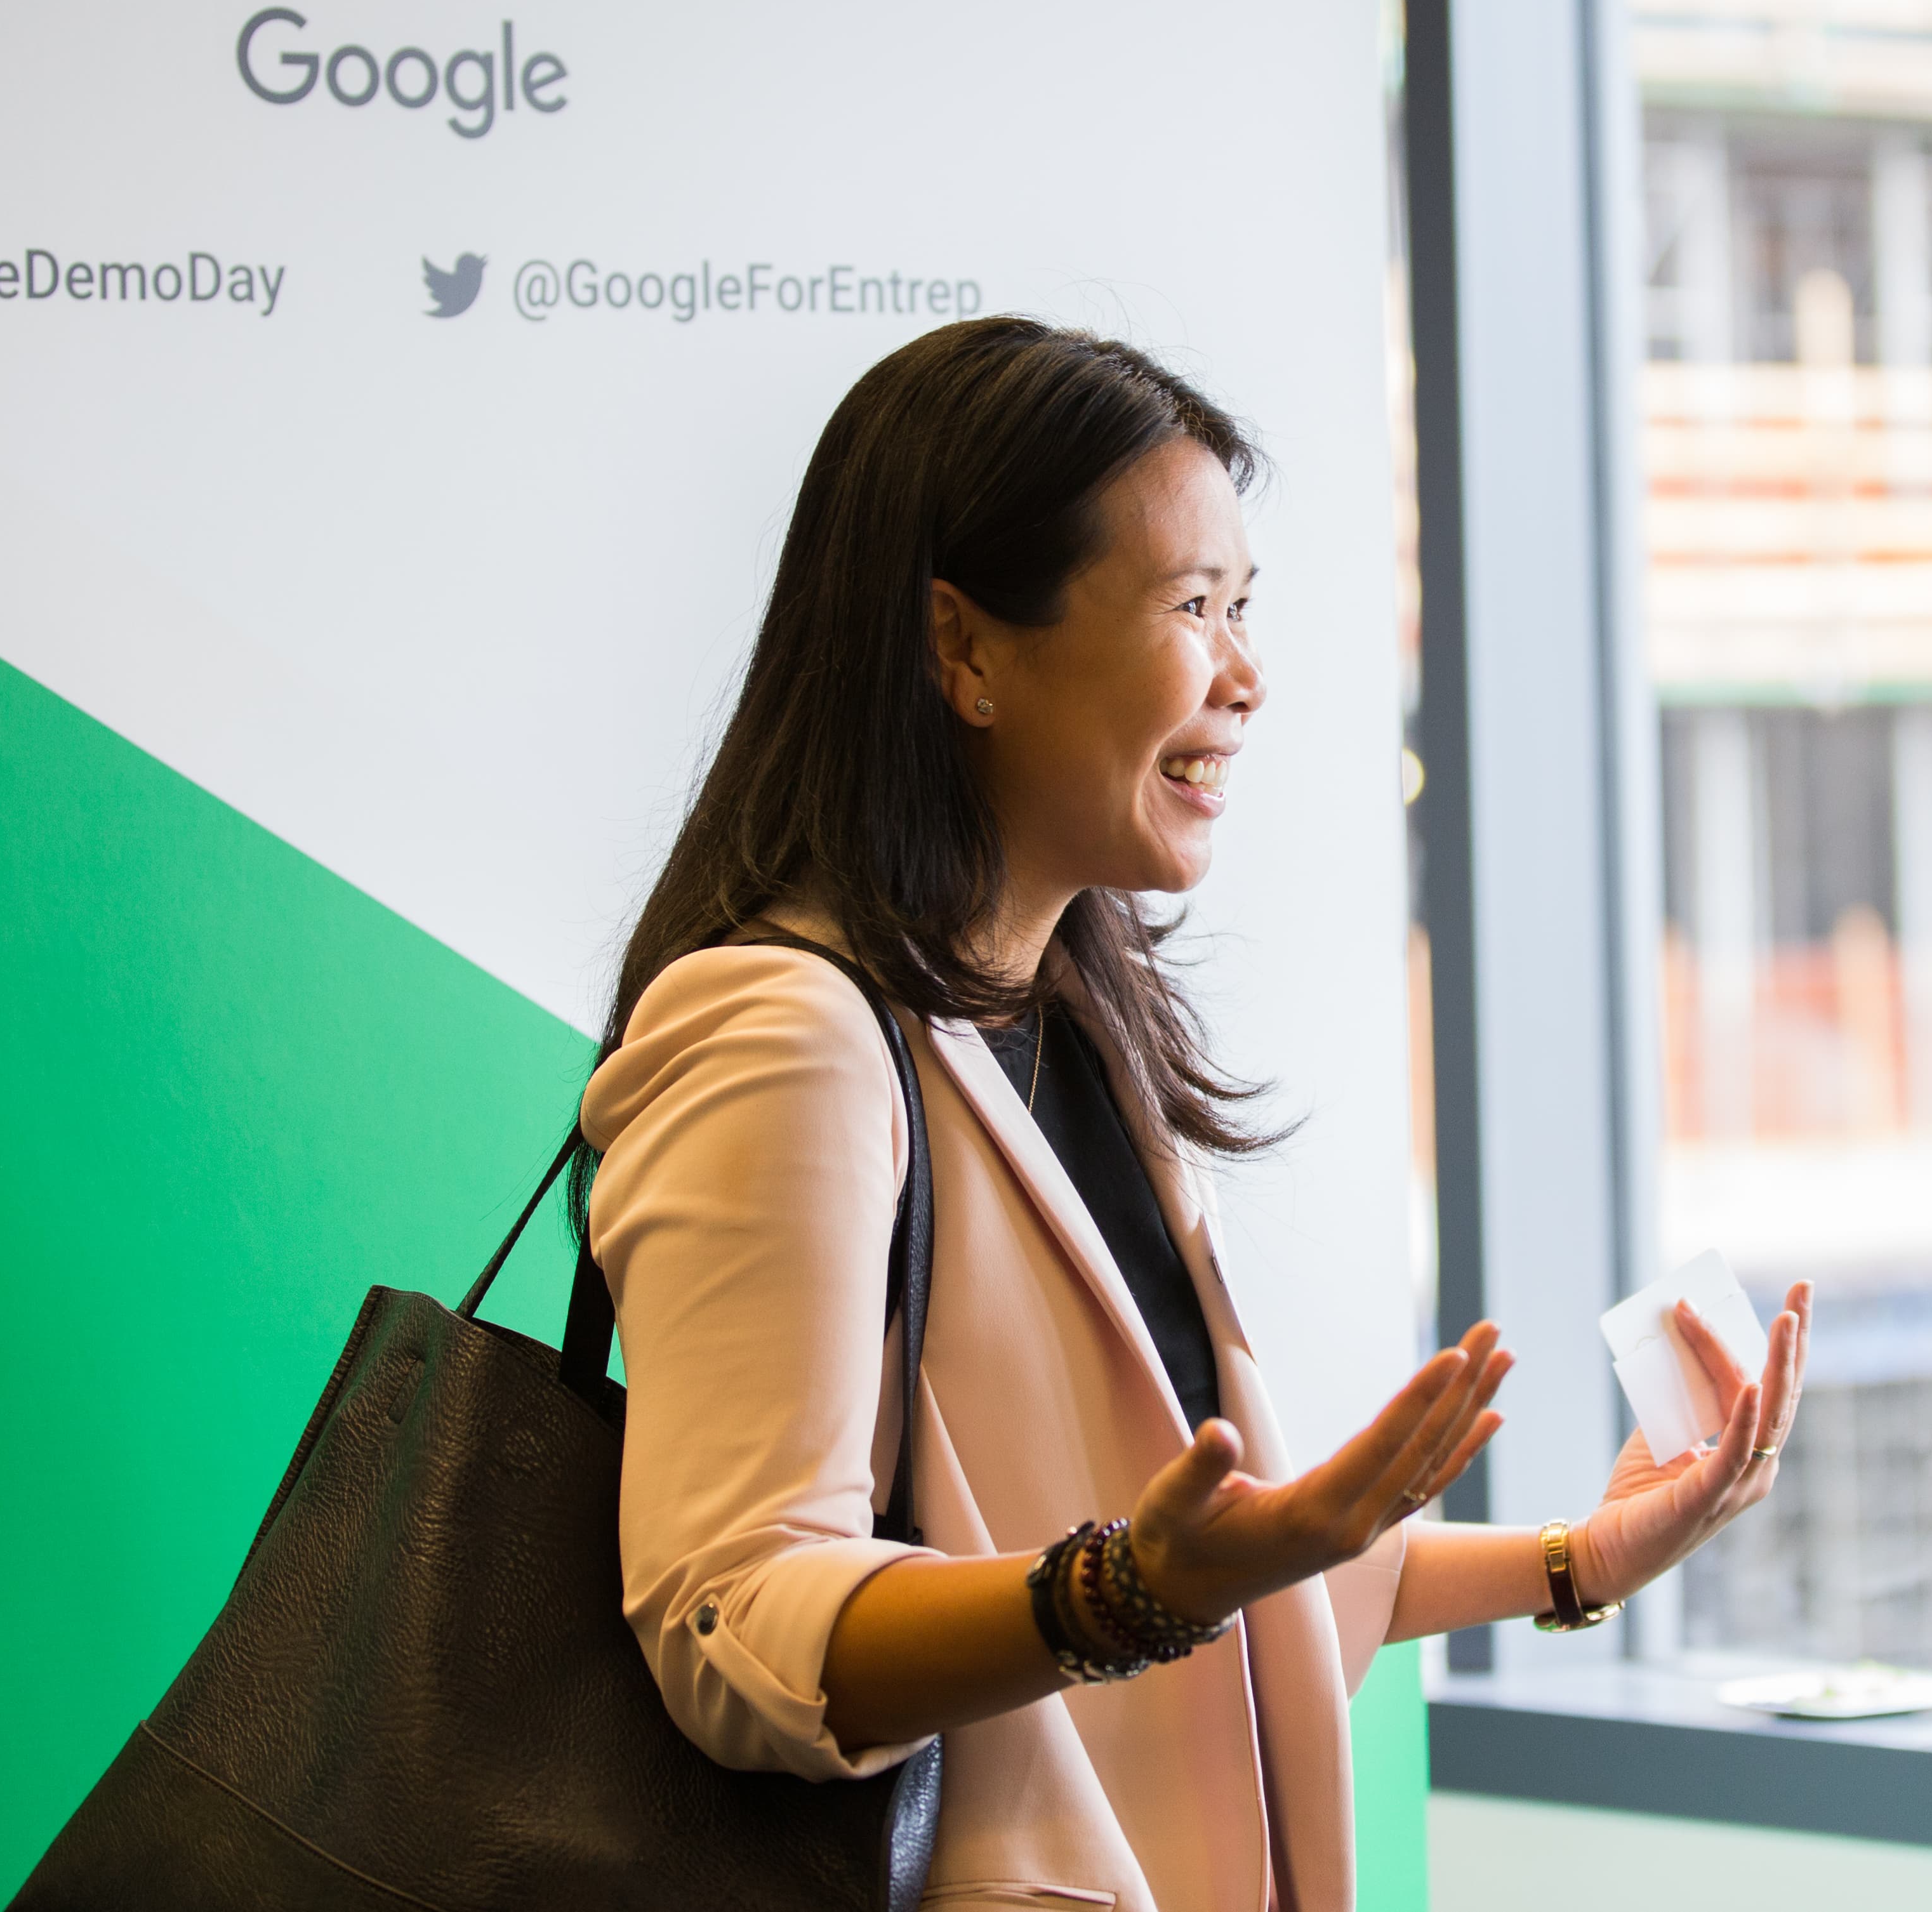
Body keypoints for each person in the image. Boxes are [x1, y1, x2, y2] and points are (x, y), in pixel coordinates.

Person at [576, 317, 1813, 1912]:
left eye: (1242, 609)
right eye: (1188, 607)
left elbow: (1233, 1578)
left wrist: (1579, 1559)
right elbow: (733, 1626)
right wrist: (1126, 1591)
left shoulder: (1075, 1022)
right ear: (961, 649)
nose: (1245, 676)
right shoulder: (785, 1033)